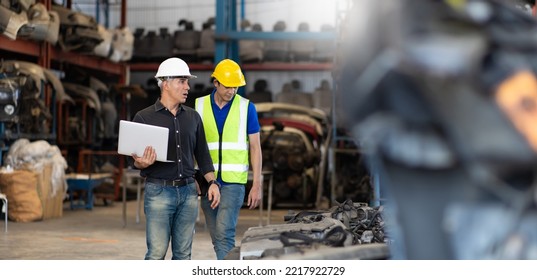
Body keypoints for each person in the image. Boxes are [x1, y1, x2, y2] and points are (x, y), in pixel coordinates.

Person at [130, 57, 221, 260]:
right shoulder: (144, 118)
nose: (187, 87)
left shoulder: (193, 117)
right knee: (156, 254)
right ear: (165, 83)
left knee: (183, 254)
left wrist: (212, 182)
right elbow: (133, 159)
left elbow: (203, 155)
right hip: (159, 192)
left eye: (187, 81)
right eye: (182, 81)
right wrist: (140, 163)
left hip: (188, 192)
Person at [195, 58, 263, 260]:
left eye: (236, 86)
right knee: (217, 236)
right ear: (215, 83)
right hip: (207, 181)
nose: (232, 91)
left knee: (225, 233)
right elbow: (191, 145)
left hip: (234, 182)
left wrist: (256, 184)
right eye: (227, 86)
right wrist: (193, 176)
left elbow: (255, 147)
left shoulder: (246, 108)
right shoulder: (199, 106)